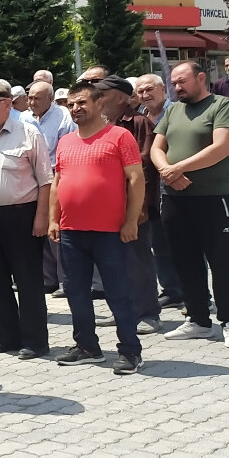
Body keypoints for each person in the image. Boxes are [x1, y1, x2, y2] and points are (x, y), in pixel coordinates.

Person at [49, 81, 145, 375]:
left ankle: (130, 351)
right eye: (71, 104)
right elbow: (57, 182)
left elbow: (136, 179)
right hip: (71, 231)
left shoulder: (119, 137)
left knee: (118, 293)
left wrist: (131, 220)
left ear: (98, 104)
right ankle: (87, 346)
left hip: (110, 232)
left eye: (82, 103)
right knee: (75, 291)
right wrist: (53, 219)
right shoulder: (65, 141)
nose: (76, 108)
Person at [152, 61, 229, 348]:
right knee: (185, 260)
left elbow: (221, 148)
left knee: (222, 261)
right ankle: (198, 319)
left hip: (213, 198)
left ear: (201, 78)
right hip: (175, 199)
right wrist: (168, 171)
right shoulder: (173, 110)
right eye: (173, 83)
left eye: (182, 82)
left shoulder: (222, 105)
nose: (176, 87)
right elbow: (157, 147)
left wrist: (178, 169)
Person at [0, 81, 53, 359]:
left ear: (7, 104)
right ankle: (5, 337)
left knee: (28, 280)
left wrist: (42, 217)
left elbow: (45, 180)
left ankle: (35, 341)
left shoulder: (27, 132)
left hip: (21, 215)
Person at [95, 76, 163, 335]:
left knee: (138, 260)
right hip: (105, 206)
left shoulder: (138, 123)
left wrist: (139, 207)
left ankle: (148, 313)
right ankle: (123, 310)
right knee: (114, 263)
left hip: (132, 205)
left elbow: (143, 167)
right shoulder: (99, 125)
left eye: (104, 93)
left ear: (122, 97)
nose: (97, 97)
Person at [19, 80, 76, 295]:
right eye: (30, 97)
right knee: (37, 230)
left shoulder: (63, 118)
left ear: (50, 99)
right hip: (29, 182)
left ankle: (65, 282)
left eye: (37, 98)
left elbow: (66, 148)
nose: (32, 102)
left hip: (55, 180)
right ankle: (47, 279)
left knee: (55, 233)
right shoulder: (24, 118)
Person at [134, 73, 182, 307]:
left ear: (163, 88)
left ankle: (195, 293)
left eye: (149, 89)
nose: (144, 94)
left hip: (175, 185)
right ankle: (172, 290)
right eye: (140, 91)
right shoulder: (142, 117)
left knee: (183, 244)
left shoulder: (177, 112)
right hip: (152, 191)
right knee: (159, 245)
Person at [210, 54, 229, 192]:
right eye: (227, 65)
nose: (228, 68)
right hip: (226, 125)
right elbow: (213, 104)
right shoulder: (219, 85)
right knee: (226, 152)